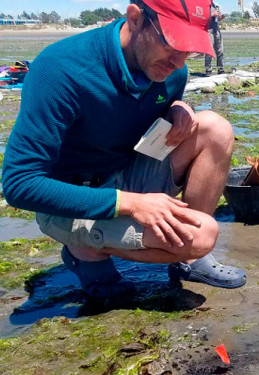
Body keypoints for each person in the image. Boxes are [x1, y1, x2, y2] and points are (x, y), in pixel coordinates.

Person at [1, 0, 246, 298]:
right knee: (203, 234)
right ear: (135, 18)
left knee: (214, 127)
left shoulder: (172, 74)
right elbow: (19, 184)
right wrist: (131, 205)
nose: (179, 63)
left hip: (125, 173)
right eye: (172, 44)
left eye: (189, 50)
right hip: (71, 200)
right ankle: (84, 251)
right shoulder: (60, 69)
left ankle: (189, 260)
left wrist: (179, 109)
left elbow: (134, 120)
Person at [204, 0, 225, 75]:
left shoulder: (215, 5)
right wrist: (212, 14)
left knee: (220, 50)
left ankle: (220, 68)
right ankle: (208, 69)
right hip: (208, 30)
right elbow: (201, 16)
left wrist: (220, 17)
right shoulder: (204, 4)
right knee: (209, 51)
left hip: (217, 30)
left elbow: (217, 18)